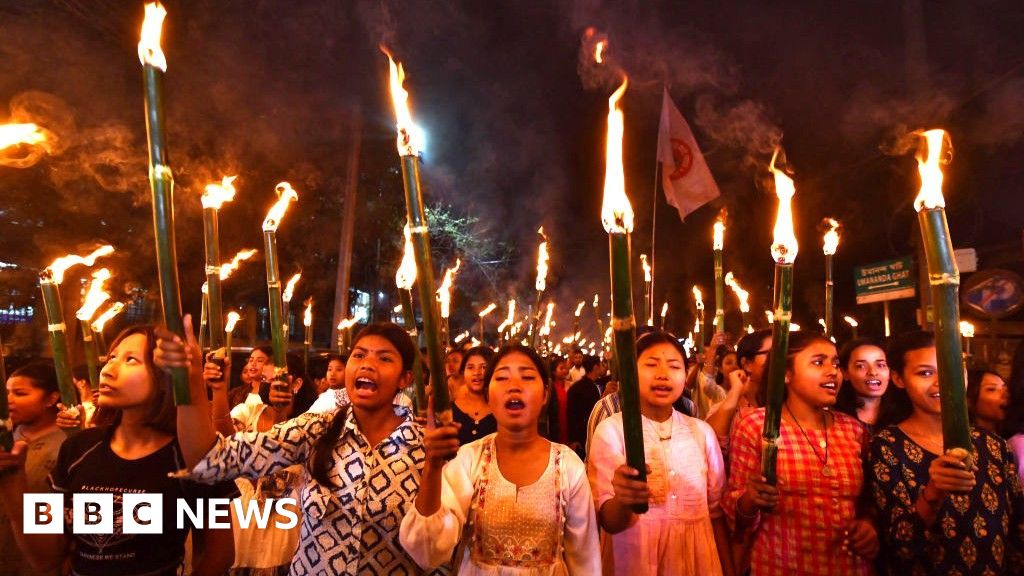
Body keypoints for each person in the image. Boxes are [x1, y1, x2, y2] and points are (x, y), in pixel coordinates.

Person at [161, 321, 446, 575]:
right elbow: (211, 458)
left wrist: (434, 465)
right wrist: (191, 383)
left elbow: (434, 554)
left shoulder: (426, 446)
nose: (367, 364)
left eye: (384, 358)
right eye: (358, 355)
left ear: (406, 378)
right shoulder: (315, 430)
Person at [0, 324, 236, 576]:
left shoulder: (192, 457)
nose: (108, 370)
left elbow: (218, 554)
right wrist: (13, 483)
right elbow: (46, 558)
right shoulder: (78, 448)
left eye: (130, 360)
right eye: (112, 357)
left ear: (167, 376)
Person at [400, 344, 601, 574]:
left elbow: (585, 559)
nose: (514, 386)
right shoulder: (469, 459)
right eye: (502, 378)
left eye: (526, 377)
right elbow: (428, 550)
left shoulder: (568, 465)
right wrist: (433, 466)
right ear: (488, 395)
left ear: (545, 394)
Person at [869, 331, 1024, 575]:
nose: (943, 380)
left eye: (952, 368)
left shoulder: (994, 445)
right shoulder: (886, 447)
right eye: (925, 373)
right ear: (898, 378)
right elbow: (900, 547)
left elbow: (1016, 531)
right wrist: (934, 492)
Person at [723, 331, 877, 576]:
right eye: (818, 362)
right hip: (781, 566)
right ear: (786, 373)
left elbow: (868, 499)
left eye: (835, 363)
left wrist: (869, 525)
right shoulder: (757, 425)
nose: (832, 371)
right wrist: (752, 498)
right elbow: (735, 513)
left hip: (850, 566)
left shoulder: (853, 429)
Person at [588, 331, 732, 575]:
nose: (663, 374)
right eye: (651, 364)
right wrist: (624, 499)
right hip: (633, 560)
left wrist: (729, 568)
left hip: (696, 561)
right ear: (630, 373)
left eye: (675, 366)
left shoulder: (702, 432)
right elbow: (608, 520)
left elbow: (716, 513)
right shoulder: (612, 430)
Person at [0, 361, 65, 576]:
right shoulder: (8, 439)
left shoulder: (65, 445)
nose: (8, 400)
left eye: (19, 393)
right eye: (6, 392)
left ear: (51, 398)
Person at [834, 338, 890, 429]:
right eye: (861, 366)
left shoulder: (904, 415)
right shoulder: (833, 417)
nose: (873, 372)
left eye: (880, 365)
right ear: (845, 373)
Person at [451, 346, 496, 445]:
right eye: (470, 367)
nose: (477, 373)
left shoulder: (501, 410)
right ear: (463, 372)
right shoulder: (450, 410)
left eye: (484, 367)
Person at [566, 356, 605, 458]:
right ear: (596, 367)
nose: (603, 367)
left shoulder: (584, 385)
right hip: (584, 436)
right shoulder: (583, 388)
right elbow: (572, 414)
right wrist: (574, 439)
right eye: (601, 365)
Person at [966, 369, 1009, 435]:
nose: (1004, 394)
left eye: (1004, 388)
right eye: (992, 389)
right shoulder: (966, 439)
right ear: (968, 401)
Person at [546, 355, 571, 445]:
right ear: (554, 372)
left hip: (568, 423)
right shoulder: (551, 388)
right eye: (561, 368)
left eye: (566, 368)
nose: (565, 371)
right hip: (557, 423)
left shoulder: (570, 385)